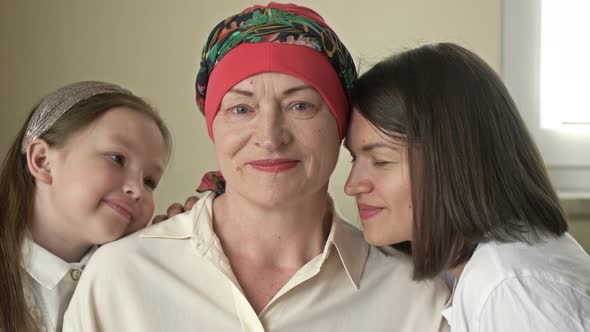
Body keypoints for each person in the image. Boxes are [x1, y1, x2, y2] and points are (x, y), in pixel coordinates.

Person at [63, 3, 450, 332]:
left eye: (300, 105)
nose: (269, 135)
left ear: (340, 126)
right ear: (214, 127)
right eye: (241, 109)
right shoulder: (120, 278)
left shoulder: (415, 298)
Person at [343, 42, 590, 331]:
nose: (351, 186)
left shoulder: (511, 288)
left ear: (453, 160)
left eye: (381, 161)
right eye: (354, 159)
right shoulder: (482, 272)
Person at [0, 81, 171, 332]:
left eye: (149, 181)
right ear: (43, 161)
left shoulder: (131, 279)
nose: (137, 190)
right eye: (117, 158)